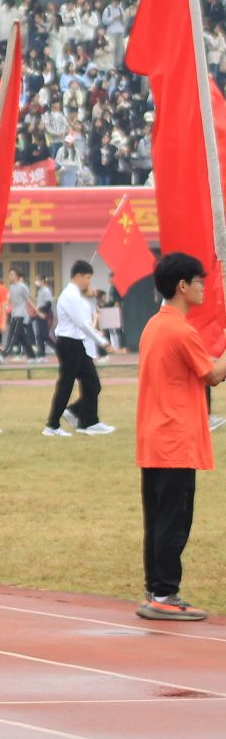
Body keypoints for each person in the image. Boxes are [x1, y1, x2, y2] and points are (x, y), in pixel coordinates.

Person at [134, 252, 226, 620]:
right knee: (174, 519)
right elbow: (214, 374)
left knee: (157, 519)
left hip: (154, 438)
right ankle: (165, 594)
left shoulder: (154, 325)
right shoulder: (181, 329)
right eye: (198, 281)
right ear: (182, 286)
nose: (203, 287)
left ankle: (156, 589)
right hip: (175, 440)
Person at [47, 260, 114, 438]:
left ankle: (88, 421)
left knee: (92, 383)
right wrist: (102, 342)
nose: (88, 282)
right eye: (88, 278)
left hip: (77, 344)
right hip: (69, 343)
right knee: (66, 385)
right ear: (78, 276)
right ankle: (53, 425)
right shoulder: (70, 295)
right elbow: (83, 324)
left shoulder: (77, 296)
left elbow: (86, 319)